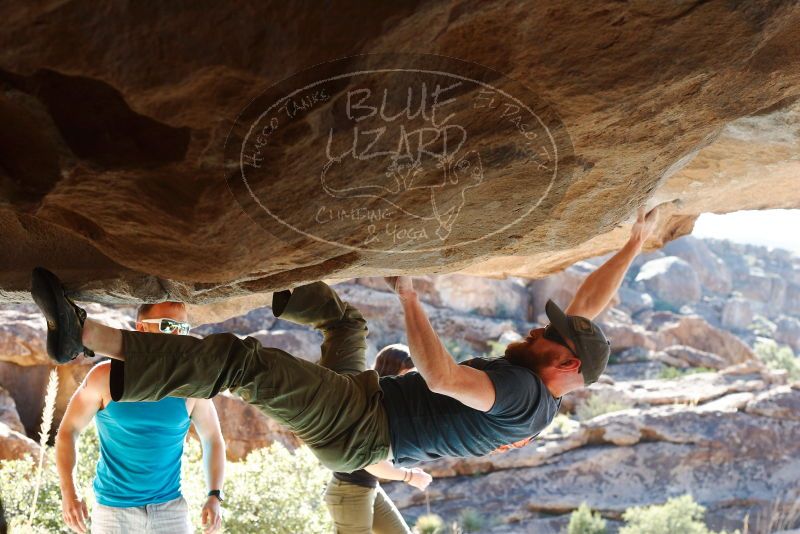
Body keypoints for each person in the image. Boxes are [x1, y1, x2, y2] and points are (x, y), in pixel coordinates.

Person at [33, 207, 659, 475]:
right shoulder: (552, 383)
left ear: (564, 361)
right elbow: (586, 308)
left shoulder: (521, 392)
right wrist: (634, 242)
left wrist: (409, 295)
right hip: (364, 411)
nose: (534, 328)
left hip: (359, 424)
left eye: (546, 335)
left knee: (242, 363)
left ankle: (84, 336)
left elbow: (441, 378)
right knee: (346, 326)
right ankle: (261, 281)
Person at [54, 302, 226, 534]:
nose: (176, 335)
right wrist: (69, 493)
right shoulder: (105, 376)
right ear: (141, 328)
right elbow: (68, 431)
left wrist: (215, 495)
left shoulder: (191, 384)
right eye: (167, 326)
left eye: (182, 328)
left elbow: (213, 438)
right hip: (113, 513)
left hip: (171, 511)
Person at [324, 343, 431, 534]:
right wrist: (410, 476)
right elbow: (372, 463)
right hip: (349, 492)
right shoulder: (371, 404)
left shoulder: (388, 401)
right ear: (392, 371)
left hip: (368, 488)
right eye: (408, 373)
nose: (411, 380)